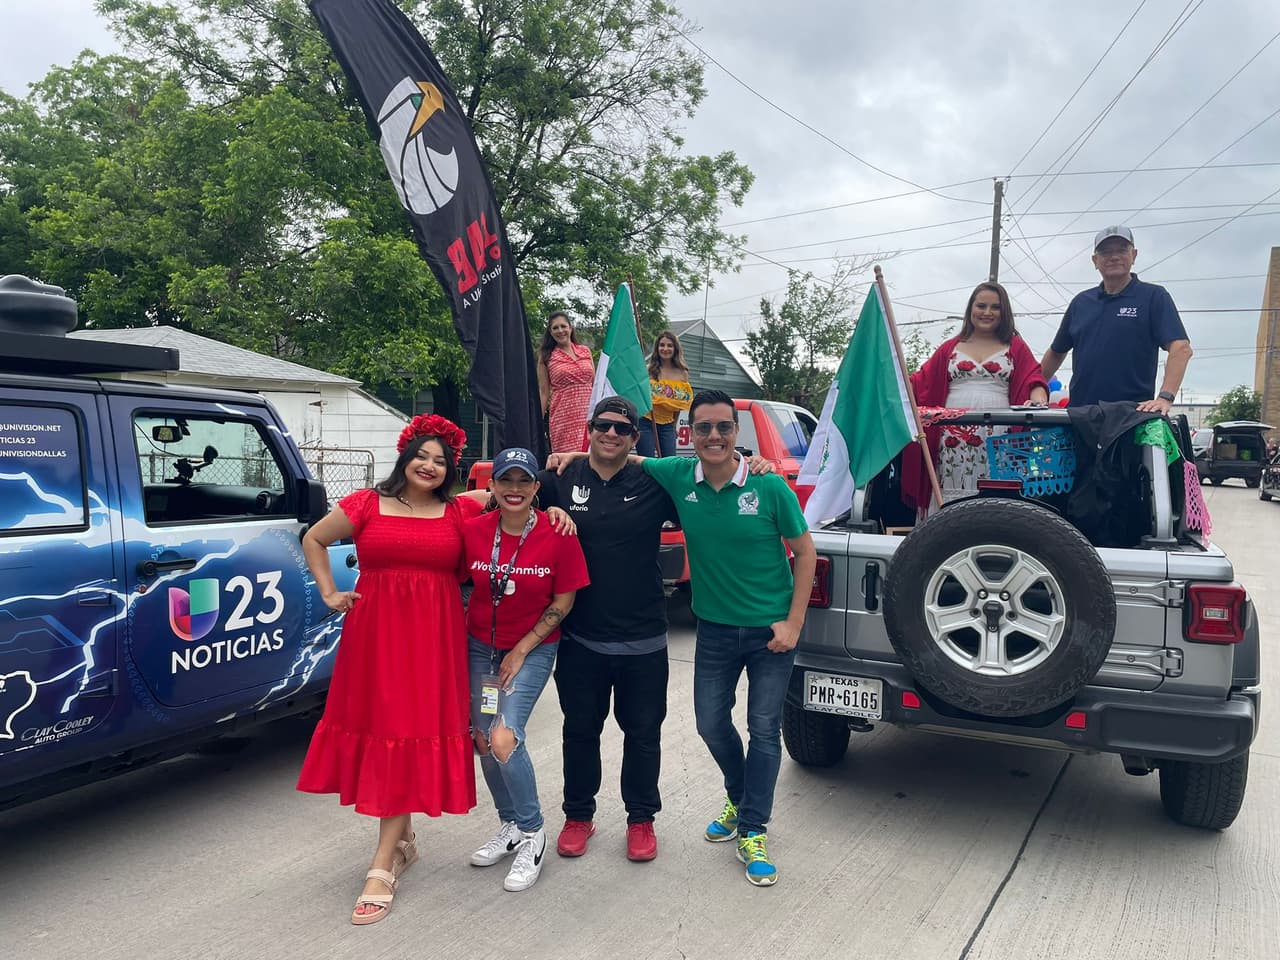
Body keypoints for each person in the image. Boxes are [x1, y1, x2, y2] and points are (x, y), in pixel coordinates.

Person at [296, 414, 479, 925]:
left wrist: (556, 509)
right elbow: (314, 539)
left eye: (441, 461)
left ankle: (390, 853)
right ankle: (391, 851)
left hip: (433, 641)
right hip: (375, 639)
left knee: (412, 731)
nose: (430, 465)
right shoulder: (365, 503)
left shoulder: (457, 513)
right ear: (405, 457)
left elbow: (517, 499)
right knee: (386, 730)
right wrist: (329, 592)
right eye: (422, 455)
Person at [638, 389, 816, 887]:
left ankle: (753, 829)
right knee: (710, 724)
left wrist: (793, 624)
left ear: (737, 434)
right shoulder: (678, 474)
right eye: (704, 428)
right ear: (688, 434)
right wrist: (569, 453)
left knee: (763, 730)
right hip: (714, 630)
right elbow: (625, 456)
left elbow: (805, 554)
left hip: (771, 633)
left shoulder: (769, 486)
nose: (714, 436)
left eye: (723, 427)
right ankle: (741, 797)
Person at [463, 447, 590, 893]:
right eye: (505, 481)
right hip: (482, 650)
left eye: (524, 481)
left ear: (537, 488)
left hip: (531, 650)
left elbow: (564, 601)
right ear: (492, 486)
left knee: (504, 734)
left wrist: (521, 649)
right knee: (481, 736)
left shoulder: (558, 532)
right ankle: (510, 823)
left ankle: (534, 832)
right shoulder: (475, 529)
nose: (514, 489)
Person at [907, 282, 1049, 505]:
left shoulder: (1016, 347)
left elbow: (1034, 379)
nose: (987, 312)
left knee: (994, 497)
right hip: (951, 436)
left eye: (995, 307)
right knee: (951, 489)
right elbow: (917, 384)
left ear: (1005, 312)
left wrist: (1038, 402)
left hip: (1000, 434)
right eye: (981, 305)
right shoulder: (949, 348)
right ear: (970, 309)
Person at [1040, 225, 1193, 414]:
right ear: (1095, 261)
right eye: (1105, 252)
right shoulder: (1081, 303)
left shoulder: (1153, 297)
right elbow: (1056, 352)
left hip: (1131, 418)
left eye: (1121, 250)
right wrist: (1031, 388)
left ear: (1134, 255)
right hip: (1080, 416)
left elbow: (1181, 348)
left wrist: (1165, 397)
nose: (1114, 257)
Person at [537, 311, 595, 453]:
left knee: (592, 457)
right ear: (550, 332)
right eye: (555, 328)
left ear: (571, 327)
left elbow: (595, 384)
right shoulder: (546, 356)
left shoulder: (585, 351)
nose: (560, 330)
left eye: (563, 326)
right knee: (566, 462)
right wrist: (536, 421)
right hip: (563, 417)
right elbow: (544, 392)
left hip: (589, 414)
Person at [636, 329, 693, 458]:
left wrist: (674, 425)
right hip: (646, 422)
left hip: (667, 424)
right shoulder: (648, 369)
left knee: (669, 462)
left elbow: (679, 404)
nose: (665, 348)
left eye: (669, 345)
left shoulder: (682, 373)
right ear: (657, 348)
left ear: (675, 349)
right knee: (646, 461)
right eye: (662, 345)